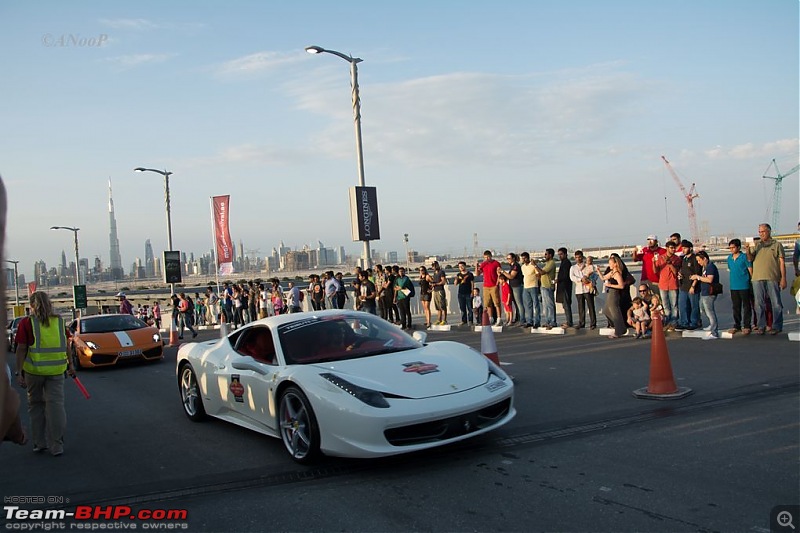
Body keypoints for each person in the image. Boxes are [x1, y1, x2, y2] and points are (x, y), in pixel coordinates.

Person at [14, 291, 75, 456]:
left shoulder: (27, 323)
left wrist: (18, 372)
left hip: (33, 371)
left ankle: (39, 443)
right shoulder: (59, 322)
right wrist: (71, 365)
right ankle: (57, 445)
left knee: (36, 406)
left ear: (32, 305)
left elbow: (21, 348)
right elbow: (67, 346)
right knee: (55, 405)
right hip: (56, 371)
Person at [746, 223, 787, 335]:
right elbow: (750, 258)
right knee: (758, 303)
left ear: (769, 231)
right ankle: (761, 325)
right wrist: (748, 250)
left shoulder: (777, 245)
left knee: (776, 303)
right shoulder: (757, 245)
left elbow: (782, 262)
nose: (761, 234)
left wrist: (783, 278)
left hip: (772, 277)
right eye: (759, 232)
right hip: (757, 278)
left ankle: (777, 325)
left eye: (763, 231)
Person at [654, 240, 682, 331]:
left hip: (673, 284)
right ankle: (667, 321)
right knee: (665, 305)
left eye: (674, 248)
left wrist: (670, 264)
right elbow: (655, 271)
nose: (673, 249)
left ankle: (674, 322)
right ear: (667, 248)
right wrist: (653, 262)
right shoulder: (661, 258)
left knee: (674, 304)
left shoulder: (677, 259)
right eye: (671, 248)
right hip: (663, 284)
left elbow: (675, 272)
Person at [726, 238, 752, 335]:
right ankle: (737, 325)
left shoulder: (744, 257)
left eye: (733, 247)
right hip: (734, 286)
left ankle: (747, 325)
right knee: (736, 307)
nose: (731, 249)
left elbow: (750, 269)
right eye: (730, 248)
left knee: (746, 306)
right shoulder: (729, 258)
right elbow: (730, 269)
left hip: (744, 285)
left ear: (738, 247)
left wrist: (751, 281)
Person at [692, 251, 720, 340]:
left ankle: (714, 332)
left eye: (699, 260)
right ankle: (711, 325)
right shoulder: (705, 267)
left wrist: (698, 277)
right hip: (704, 292)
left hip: (709, 293)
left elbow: (709, 280)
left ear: (705, 259)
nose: (698, 262)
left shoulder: (710, 267)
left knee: (710, 312)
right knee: (702, 308)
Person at [677, 240, 702, 330]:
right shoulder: (684, 259)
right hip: (683, 286)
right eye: (682, 248)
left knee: (694, 305)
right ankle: (684, 322)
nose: (683, 250)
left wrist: (693, 286)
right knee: (683, 305)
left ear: (690, 248)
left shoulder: (694, 259)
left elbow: (697, 273)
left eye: (685, 248)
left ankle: (694, 322)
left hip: (692, 286)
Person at [602, 255, 629, 338]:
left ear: (615, 264)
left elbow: (621, 286)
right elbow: (603, 278)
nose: (609, 264)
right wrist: (598, 271)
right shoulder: (612, 272)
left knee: (615, 312)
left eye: (610, 263)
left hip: (615, 293)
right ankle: (620, 327)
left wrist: (610, 285)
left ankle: (618, 331)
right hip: (610, 292)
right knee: (606, 310)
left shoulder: (617, 273)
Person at [570, 250, 596, 329]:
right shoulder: (573, 267)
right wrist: (580, 279)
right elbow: (572, 277)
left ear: (582, 257)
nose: (578, 259)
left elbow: (594, 275)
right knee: (581, 307)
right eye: (576, 257)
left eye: (579, 257)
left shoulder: (587, 266)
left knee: (591, 306)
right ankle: (581, 323)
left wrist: (588, 279)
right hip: (579, 290)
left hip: (587, 289)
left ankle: (593, 323)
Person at [476, 251, 502, 325]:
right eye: (485, 257)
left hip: (494, 285)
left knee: (496, 303)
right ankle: (491, 318)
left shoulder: (496, 263)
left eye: (488, 257)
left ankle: (499, 318)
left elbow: (499, 274)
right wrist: (476, 266)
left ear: (491, 256)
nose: (487, 259)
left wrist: (497, 284)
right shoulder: (483, 264)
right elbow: (477, 274)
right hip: (486, 286)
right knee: (488, 303)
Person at [535, 249, 557, 329]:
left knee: (550, 305)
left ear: (550, 255)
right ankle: (548, 321)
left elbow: (543, 272)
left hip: (548, 286)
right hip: (543, 286)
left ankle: (552, 321)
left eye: (546, 254)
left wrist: (535, 265)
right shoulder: (547, 263)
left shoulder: (551, 263)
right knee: (545, 306)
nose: (545, 256)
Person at [499, 253, 523, 324]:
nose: (508, 260)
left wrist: (503, 271)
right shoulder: (511, 266)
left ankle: (522, 319)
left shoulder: (516, 266)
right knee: (515, 304)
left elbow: (511, 276)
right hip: (512, 286)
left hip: (517, 286)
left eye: (509, 258)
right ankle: (517, 318)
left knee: (519, 303)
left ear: (513, 258)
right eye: (507, 259)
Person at [519, 252, 541, 328]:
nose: (524, 260)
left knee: (536, 304)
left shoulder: (533, 265)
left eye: (525, 258)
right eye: (522, 258)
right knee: (528, 305)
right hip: (526, 287)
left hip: (533, 286)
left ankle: (537, 321)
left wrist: (539, 287)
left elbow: (538, 275)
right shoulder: (523, 267)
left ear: (528, 258)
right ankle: (529, 321)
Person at [555, 248, 573, 328]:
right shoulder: (563, 262)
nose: (560, 256)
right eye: (559, 254)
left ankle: (569, 322)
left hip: (565, 286)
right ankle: (568, 321)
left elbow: (565, 275)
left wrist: (558, 279)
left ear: (565, 254)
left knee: (566, 304)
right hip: (562, 287)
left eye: (561, 254)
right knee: (564, 305)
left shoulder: (566, 263)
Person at [454, 261, 475, 326]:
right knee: (462, 308)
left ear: (465, 266)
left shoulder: (470, 274)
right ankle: (464, 321)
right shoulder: (459, 275)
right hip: (461, 293)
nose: (461, 268)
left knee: (469, 307)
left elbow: (472, 283)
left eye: (462, 266)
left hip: (468, 293)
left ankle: (470, 321)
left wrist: (472, 291)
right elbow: (455, 284)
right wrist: (456, 279)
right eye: (459, 267)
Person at [430, 261, 448, 326]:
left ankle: (444, 320)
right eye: (433, 266)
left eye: (435, 265)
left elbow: (443, 281)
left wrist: (436, 284)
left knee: (442, 305)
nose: (434, 267)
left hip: (440, 290)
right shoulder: (434, 273)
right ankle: (439, 319)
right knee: (438, 306)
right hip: (435, 291)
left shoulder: (441, 272)